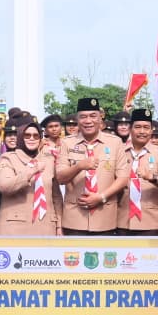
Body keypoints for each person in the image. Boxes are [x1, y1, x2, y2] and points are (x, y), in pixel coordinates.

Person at [56, 99, 129, 236]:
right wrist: (79, 166)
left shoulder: (115, 142)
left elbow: (123, 178)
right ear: (77, 120)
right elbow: (60, 177)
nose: (88, 121)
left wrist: (101, 197)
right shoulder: (67, 143)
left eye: (93, 116)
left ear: (100, 118)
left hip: (105, 218)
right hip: (75, 219)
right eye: (83, 117)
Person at [0, 118, 62, 235]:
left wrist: (59, 226)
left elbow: (56, 196)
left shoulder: (49, 160)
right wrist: (32, 171)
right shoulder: (8, 158)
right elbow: (4, 186)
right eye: (27, 135)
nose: (32, 138)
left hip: (46, 227)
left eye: (36, 136)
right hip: (15, 228)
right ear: (20, 137)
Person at [117, 109, 158, 236]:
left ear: (151, 130)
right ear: (130, 129)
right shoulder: (119, 151)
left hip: (150, 222)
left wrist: (152, 177)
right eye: (137, 127)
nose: (142, 131)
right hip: (120, 220)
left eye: (146, 127)